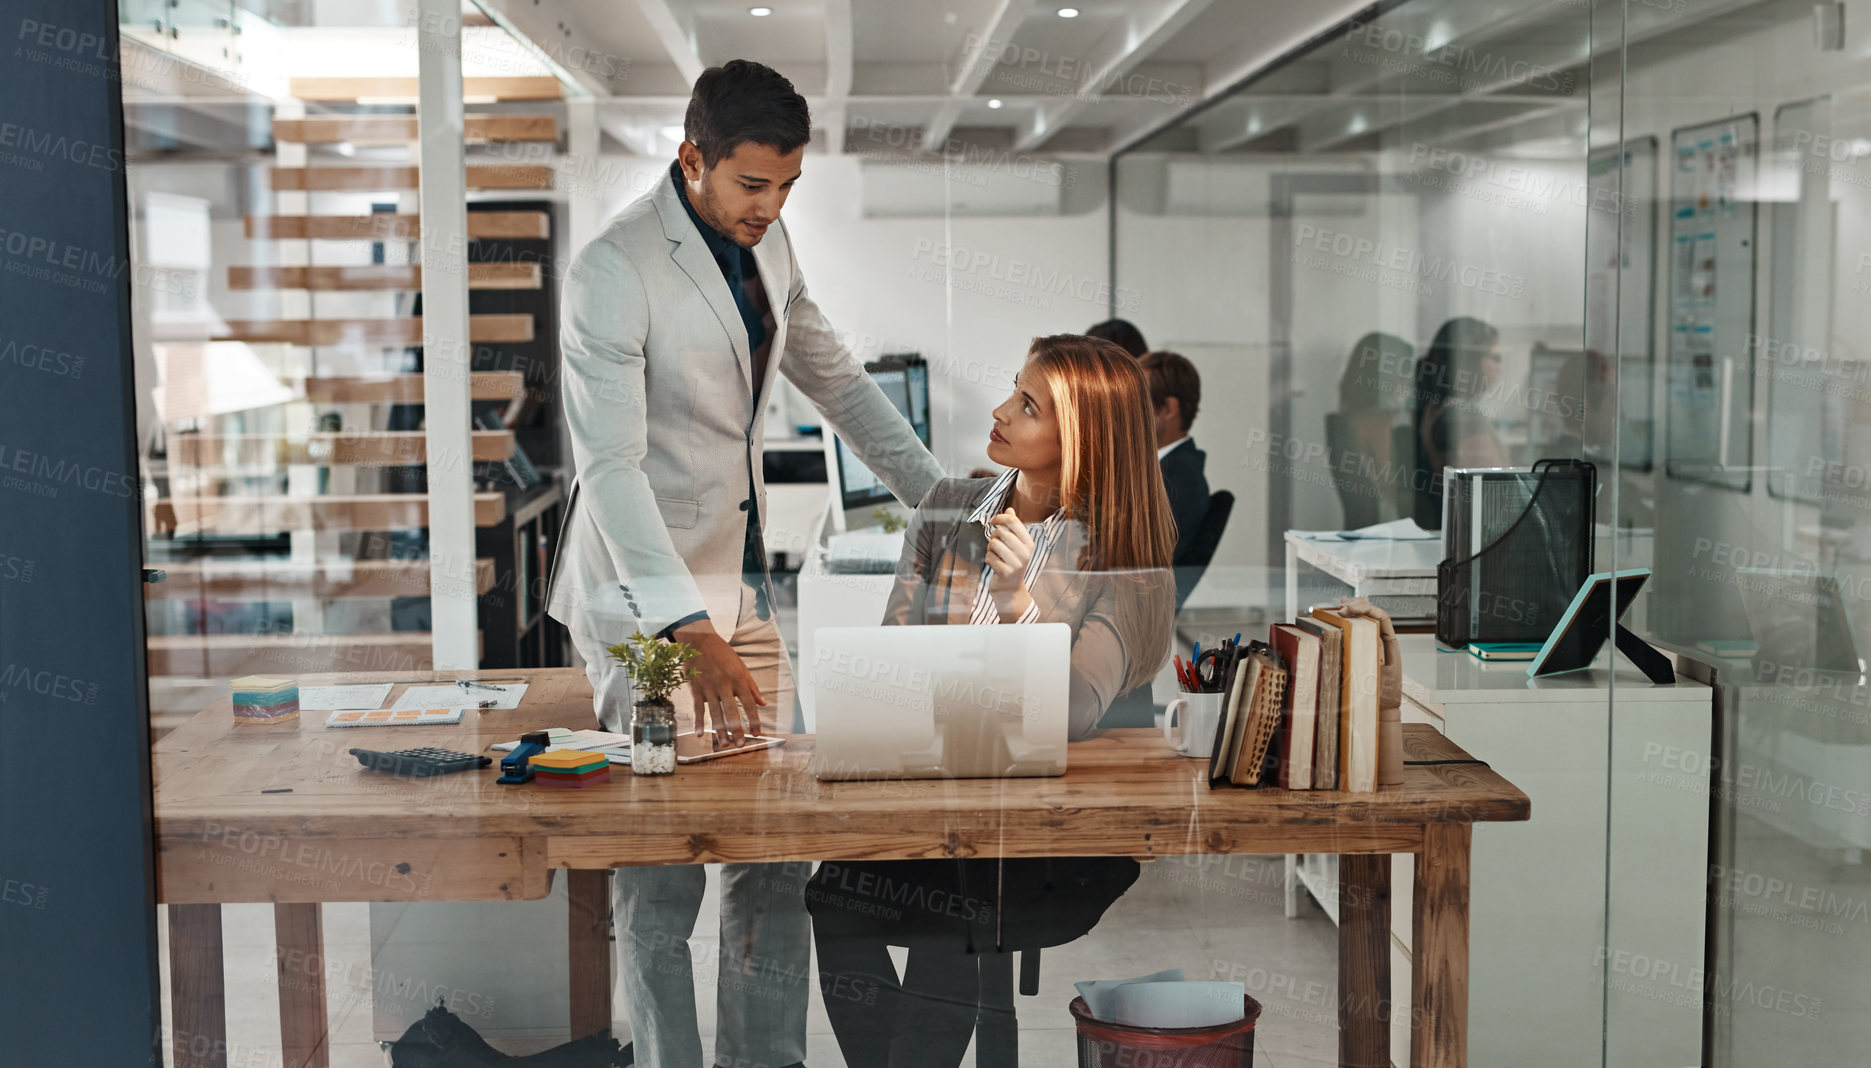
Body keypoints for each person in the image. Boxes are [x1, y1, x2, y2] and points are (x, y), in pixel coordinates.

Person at [545, 60, 942, 1068]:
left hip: (743, 577)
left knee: (770, 845)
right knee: (665, 866)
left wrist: (944, 501)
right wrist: (687, 629)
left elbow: (840, 384)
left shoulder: (767, 242)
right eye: (750, 186)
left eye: (785, 188)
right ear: (692, 159)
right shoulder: (611, 268)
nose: (769, 207)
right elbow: (610, 469)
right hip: (651, 601)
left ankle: (762, 1062)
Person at [807, 334, 1176, 1068]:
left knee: (956, 905)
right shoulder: (948, 508)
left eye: (1028, 405)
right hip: (930, 794)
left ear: (1083, 436)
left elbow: (1068, 712)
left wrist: (1018, 608)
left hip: (1045, 832)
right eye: (1014, 389)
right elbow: (894, 655)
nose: (1000, 410)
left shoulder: (1120, 557)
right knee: (834, 897)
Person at [1410, 317, 1507, 529]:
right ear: (1470, 360)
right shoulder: (1464, 419)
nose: (1500, 368)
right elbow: (1493, 501)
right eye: (1495, 358)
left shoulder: (1437, 409)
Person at [1330, 331, 1414, 528]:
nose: (1409, 378)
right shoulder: (1376, 422)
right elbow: (1393, 488)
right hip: (1387, 531)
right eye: (1405, 369)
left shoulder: (1351, 415)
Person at [1138, 350, 1209, 567]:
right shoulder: (1167, 471)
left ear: (1168, 409)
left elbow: (1140, 565)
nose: (1126, 413)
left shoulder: (1178, 481)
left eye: (1137, 402)